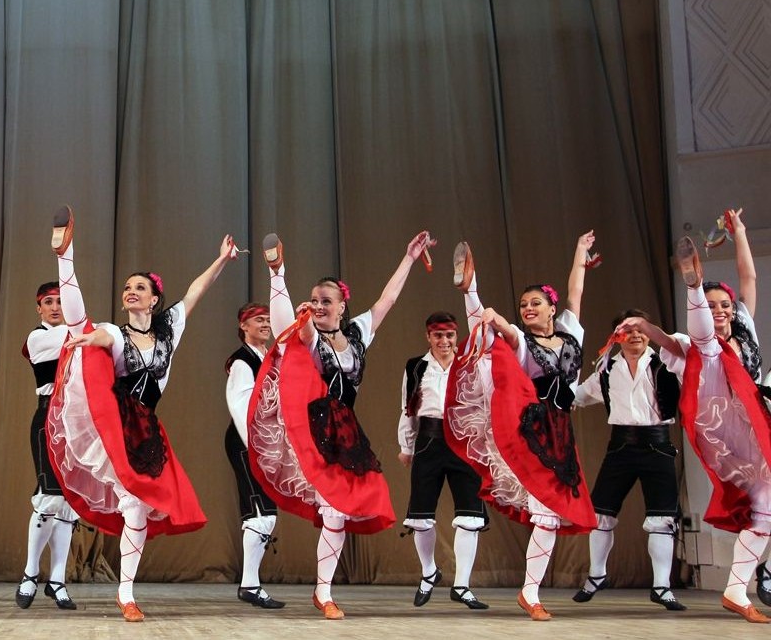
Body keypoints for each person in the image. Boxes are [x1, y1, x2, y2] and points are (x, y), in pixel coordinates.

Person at [44, 206, 236, 621]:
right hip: (117, 425)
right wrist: (88, 338)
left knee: (139, 510)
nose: (131, 291)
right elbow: (99, 334)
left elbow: (196, 291)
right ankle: (64, 255)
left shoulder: (169, 330)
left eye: (140, 287)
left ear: (154, 299)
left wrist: (221, 259)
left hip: (148, 430)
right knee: (134, 505)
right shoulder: (116, 332)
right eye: (127, 287)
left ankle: (126, 592)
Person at [247, 231, 432, 619]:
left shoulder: (357, 333)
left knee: (339, 513)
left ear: (342, 307)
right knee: (333, 509)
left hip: (346, 433)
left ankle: (323, 592)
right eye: (314, 300)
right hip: (315, 430)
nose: (318, 306)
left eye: (325, 301)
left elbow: (387, 300)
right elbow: (287, 331)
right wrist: (280, 280)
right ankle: (325, 593)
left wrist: (410, 257)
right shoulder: (312, 336)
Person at [443, 232, 598, 621]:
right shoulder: (524, 343)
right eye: (524, 304)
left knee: (552, 516)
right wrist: (491, 314)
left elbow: (576, 294)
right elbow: (506, 332)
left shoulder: (571, 334)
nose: (528, 308)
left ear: (551, 309)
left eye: (535, 303)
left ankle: (530, 591)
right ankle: (530, 593)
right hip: (532, 432)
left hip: (561, 434)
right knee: (546, 515)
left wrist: (580, 252)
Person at [628, 211, 769, 622]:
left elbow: (749, 278)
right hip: (718, 422)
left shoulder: (745, 331)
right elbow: (669, 342)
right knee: (704, 346)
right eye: (712, 305)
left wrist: (740, 232)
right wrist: (646, 327)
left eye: (724, 305)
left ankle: (736, 591)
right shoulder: (689, 343)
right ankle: (692, 287)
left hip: (755, 426)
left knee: (766, 506)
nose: (721, 310)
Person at [567, 308, 685, 611]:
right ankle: (597, 575)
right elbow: (578, 395)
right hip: (621, 446)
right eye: (627, 331)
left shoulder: (667, 362)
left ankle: (661, 587)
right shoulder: (607, 368)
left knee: (662, 518)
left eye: (640, 330)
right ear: (617, 336)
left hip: (658, 445)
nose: (635, 336)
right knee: (600, 514)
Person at [397, 311, 488, 610]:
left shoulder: (470, 364)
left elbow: (486, 404)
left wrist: (486, 445)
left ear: (455, 335)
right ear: (428, 336)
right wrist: (406, 446)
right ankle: (429, 573)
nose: (444, 341)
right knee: (420, 517)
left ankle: (461, 585)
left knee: (470, 517)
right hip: (429, 440)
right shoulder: (416, 366)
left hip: (464, 442)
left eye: (449, 335)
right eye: (438, 335)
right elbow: (408, 408)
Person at [15, 282, 79, 611]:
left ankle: (57, 580)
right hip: (48, 418)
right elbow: (75, 335)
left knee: (68, 504)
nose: (55, 307)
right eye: (49, 302)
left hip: (76, 423)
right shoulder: (37, 338)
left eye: (61, 302)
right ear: (39, 308)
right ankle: (30, 573)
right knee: (49, 496)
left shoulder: (76, 333)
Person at [222, 302, 282, 609]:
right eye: (259, 319)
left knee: (264, 513)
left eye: (268, 319)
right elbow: (240, 406)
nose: (266, 324)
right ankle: (249, 585)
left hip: (263, 442)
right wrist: (257, 447)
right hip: (248, 440)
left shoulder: (268, 357)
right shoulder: (242, 361)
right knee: (261, 512)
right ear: (243, 326)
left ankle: (250, 584)